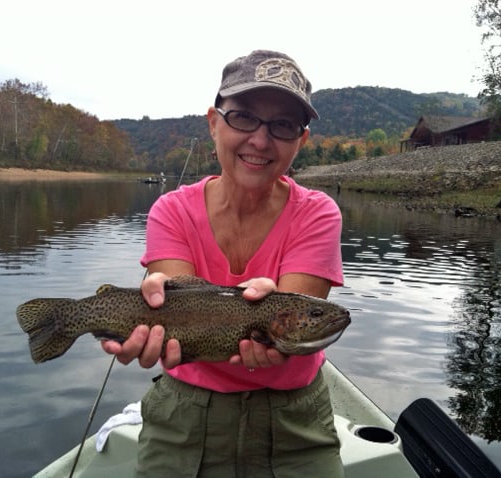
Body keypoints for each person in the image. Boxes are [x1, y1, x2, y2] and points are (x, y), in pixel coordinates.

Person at [102, 49, 344, 478]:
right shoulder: (170, 211)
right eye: (244, 117)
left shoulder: (318, 213)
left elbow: (296, 325)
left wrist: (274, 320)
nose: (261, 140)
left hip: (296, 422)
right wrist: (145, 315)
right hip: (183, 416)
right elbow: (176, 310)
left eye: (283, 125)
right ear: (214, 123)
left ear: (301, 141)